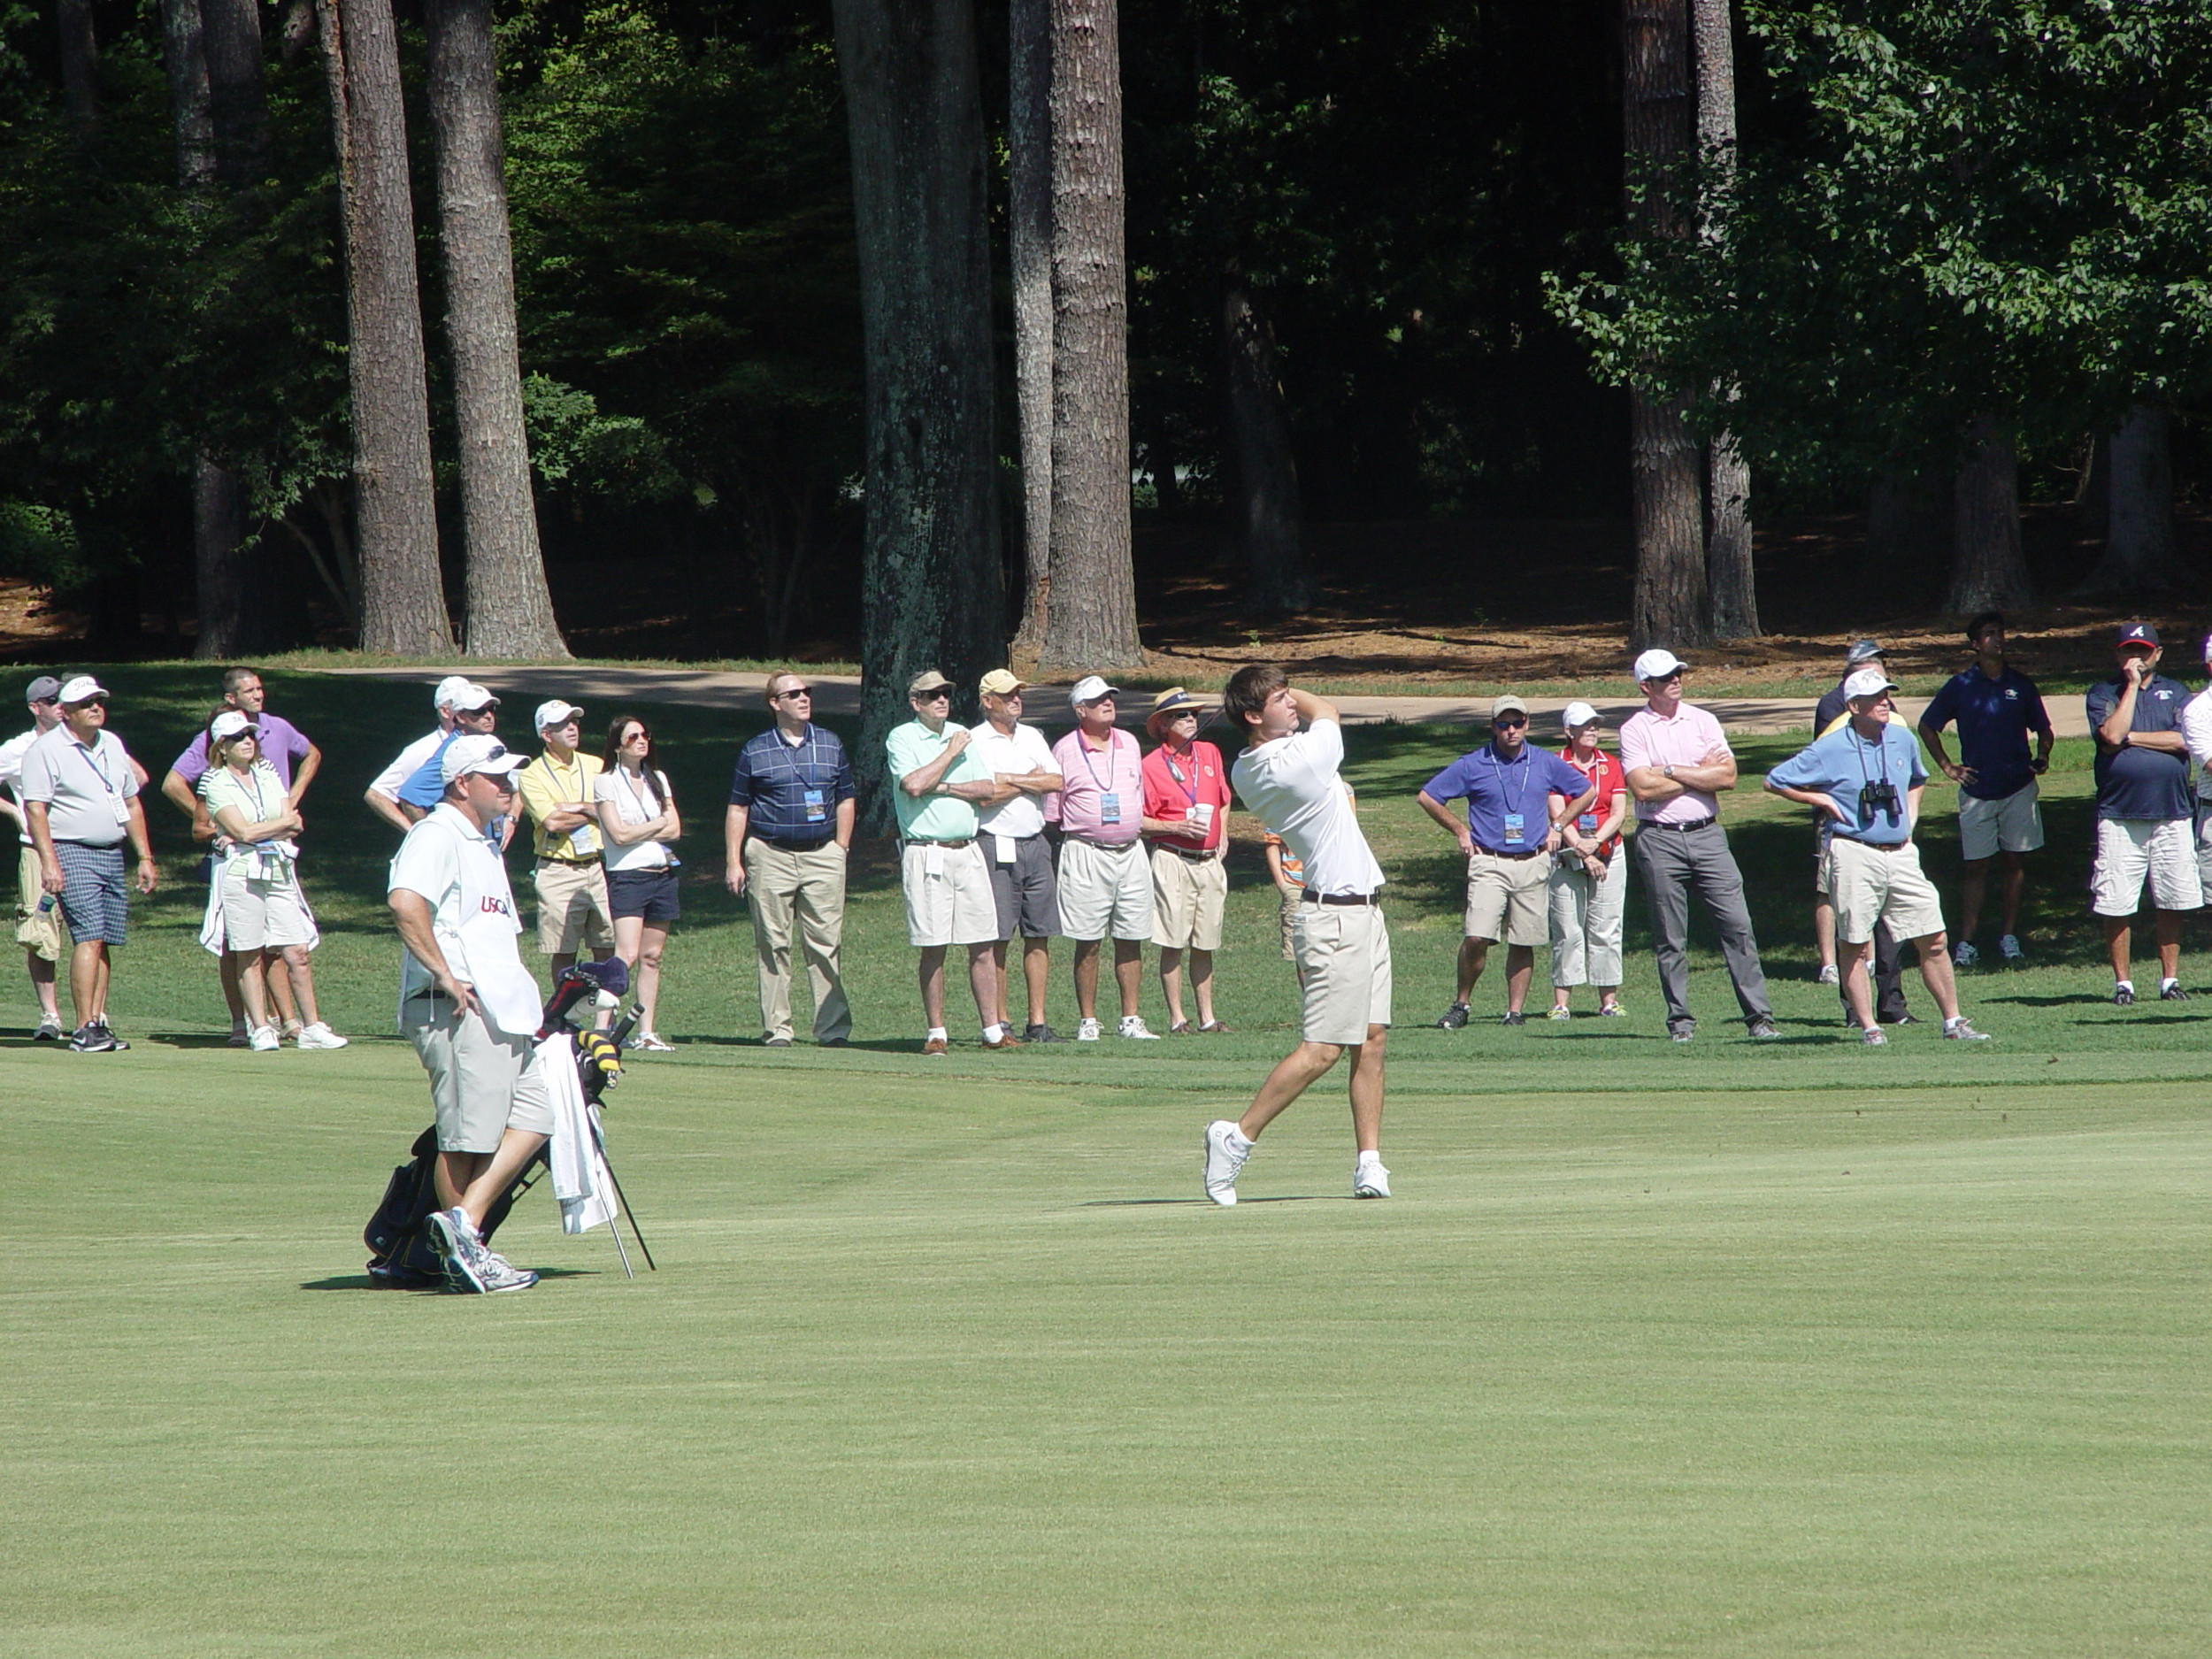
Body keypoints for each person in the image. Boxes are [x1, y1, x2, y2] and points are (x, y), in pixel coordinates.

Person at [1205, 668, 1392, 1206]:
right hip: (1332, 919)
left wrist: (1273, 687)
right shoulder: (1296, 763)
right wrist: (1296, 690)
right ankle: (1235, 1138)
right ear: (1253, 716)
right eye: (1280, 699)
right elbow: (1327, 712)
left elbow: (1305, 718)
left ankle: (1369, 1164)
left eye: (1290, 695)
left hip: (1363, 911)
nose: (1293, 704)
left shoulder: (1253, 762)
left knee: (1373, 1038)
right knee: (1323, 1049)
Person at [388, 734, 548, 1294]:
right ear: (462, 784)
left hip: (505, 1010)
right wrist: (446, 975)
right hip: (456, 1009)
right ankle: (466, 1258)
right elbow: (405, 903)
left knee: (540, 1112)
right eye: (496, 777)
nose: (509, 785)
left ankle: (462, 1228)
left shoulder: (482, 839)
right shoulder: (436, 833)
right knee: (467, 1140)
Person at [1765, 669, 1990, 1043]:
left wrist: (1911, 819)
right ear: (1854, 706)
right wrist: (1819, 798)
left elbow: (1917, 779)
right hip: (1854, 851)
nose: (1885, 701)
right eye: (1876, 697)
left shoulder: (1902, 739)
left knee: (1933, 937)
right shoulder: (1831, 746)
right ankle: (1869, 1027)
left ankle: (1954, 1022)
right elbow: (1774, 780)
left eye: (1887, 694)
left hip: (1901, 852)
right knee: (1854, 942)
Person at [1618, 649, 1778, 1042]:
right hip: (1659, 839)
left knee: (1738, 927)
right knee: (1670, 937)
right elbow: (1641, 787)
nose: (1676, 679)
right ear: (1646, 686)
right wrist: (1697, 774)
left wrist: (1670, 771)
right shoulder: (1634, 729)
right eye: (1666, 676)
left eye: (1678, 673)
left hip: (1708, 835)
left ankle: (1760, 1017)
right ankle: (1681, 1022)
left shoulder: (1703, 720)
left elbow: (1727, 777)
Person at [161, 665, 320, 1044]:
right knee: (242, 946)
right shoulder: (215, 757)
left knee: (283, 945)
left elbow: (311, 755)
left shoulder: (275, 732)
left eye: (260, 688)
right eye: (248, 690)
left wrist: (292, 800)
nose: (258, 695)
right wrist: (221, 825)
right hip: (240, 855)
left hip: (275, 849)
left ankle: (292, 1022)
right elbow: (173, 785)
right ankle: (248, 1022)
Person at [1418, 693, 1594, 1027]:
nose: (1511, 730)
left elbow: (1586, 791)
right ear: (1493, 726)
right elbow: (1427, 796)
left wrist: (1558, 826)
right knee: (1477, 935)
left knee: (1524, 939)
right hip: (1489, 861)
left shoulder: (1542, 761)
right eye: (1504, 724)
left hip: (1533, 860)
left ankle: (1514, 1012)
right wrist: (1460, 830)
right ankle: (1462, 1004)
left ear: (1526, 724)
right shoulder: (1474, 763)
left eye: (1518, 723)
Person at [19, 675, 157, 1051]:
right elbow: (36, 809)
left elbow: (129, 802)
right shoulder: (45, 751)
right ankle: (82, 1027)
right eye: (85, 704)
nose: (95, 708)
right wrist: (50, 863)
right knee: (89, 934)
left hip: (111, 850)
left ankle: (97, 1022)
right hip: (70, 848)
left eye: (98, 701)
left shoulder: (111, 744)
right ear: (64, 712)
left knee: (105, 940)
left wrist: (144, 856)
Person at [196, 710, 346, 1050]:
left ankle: (312, 1026)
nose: (247, 742)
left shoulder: (268, 773)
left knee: (297, 950)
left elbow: (293, 822)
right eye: (238, 738)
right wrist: (266, 830)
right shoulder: (216, 782)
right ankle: (261, 1027)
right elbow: (244, 829)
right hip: (241, 873)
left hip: (277, 868)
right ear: (222, 746)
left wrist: (258, 832)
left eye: (250, 735)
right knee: (248, 952)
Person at [724, 672, 855, 1048]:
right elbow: (738, 807)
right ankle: (778, 1030)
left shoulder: (830, 743)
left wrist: (840, 848)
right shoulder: (755, 750)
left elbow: (845, 797)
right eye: (794, 694)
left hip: (822, 854)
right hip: (770, 854)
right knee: (773, 944)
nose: (803, 698)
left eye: (806, 692)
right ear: (775, 703)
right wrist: (734, 861)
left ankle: (832, 1030)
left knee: (825, 943)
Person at [1918, 612, 2054, 967]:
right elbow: (1927, 726)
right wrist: (1948, 766)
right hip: (1978, 790)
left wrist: (2042, 755)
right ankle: (1967, 941)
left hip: (2018, 788)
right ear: (1975, 644)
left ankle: (2009, 936)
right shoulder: (1961, 686)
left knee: (2014, 862)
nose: (1998, 639)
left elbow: (2044, 729)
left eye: (2001, 633)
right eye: (1990, 634)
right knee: (1975, 867)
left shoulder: (2020, 685)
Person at [887, 669, 1008, 1052]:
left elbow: (987, 789)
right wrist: (951, 754)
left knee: (983, 944)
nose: (942, 700)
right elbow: (913, 784)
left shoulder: (962, 734)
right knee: (933, 944)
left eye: (946, 694)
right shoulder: (903, 737)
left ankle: (992, 1030)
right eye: (933, 694)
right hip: (927, 852)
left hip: (967, 849)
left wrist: (945, 786)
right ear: (916, 702)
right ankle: (936, 1032)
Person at [2085, 623, 2198, 1005]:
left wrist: (2133, 737)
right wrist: (2131, 688)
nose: (2138, 657)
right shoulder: (2104, 692)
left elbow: (2185, 739)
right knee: (2117, 902)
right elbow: (2111, 735)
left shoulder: (2177, 693)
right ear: (2118, 655)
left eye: (2145, 651)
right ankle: (2124, 983)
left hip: (2172, 813)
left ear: (2158, 653)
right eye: (2129, 650)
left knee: (2172, 899)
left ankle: (2169, 980)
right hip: (2120, 814)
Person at [1048, 675, 1160, 1041]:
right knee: (1089, 939)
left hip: (1131, 852)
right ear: (1081, 710)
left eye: (1110, 698)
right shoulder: (1064, 750)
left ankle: (1131, 1019)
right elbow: (1053, 811)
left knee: (1132, 936)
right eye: (1098, 701)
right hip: (1086, 852)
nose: (1108, 703)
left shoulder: (1128, 742)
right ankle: (1088, 1021)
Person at [970, 669, 1064, 1042]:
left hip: (1035, 843)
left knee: (1039, 934)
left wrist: (1009, 778)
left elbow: (1056, 782)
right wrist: (1030, 779)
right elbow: (985, 794)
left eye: (1017, 694)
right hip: (995, 843)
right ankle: (1001, 1021)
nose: (1015, 700)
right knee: (998, 936)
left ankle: (1037, 1023)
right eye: (1007, 695)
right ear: (987, 701)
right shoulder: (975, 740)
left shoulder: (1033, 736)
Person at [1141, 687, 1233, 1033]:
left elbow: (1223, 799)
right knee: (1173, 940)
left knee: (1206, 940)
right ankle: (1178, 1017)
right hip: (1172, 859)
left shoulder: (1209, 753)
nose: (1191, 719)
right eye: (1182, 715)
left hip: (1209, 862)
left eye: (1193, 713)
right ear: (1163, 724)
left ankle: (1208, 1017)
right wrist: (1177, 826)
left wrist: (1222, 833)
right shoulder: (1150, 766)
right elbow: (1140, 821)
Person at [595, 714, 682, 1049]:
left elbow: (675, 829)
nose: (642, 741)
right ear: (618, 745)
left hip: (662, 873)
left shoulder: (656, 778)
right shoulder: (606, 782)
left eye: (645, 735)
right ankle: (602, 1028)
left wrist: (643, 830)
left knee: (652, 956)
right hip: (628, 877)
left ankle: (646, 1031)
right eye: (632, 737)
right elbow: (617, 834)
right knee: (626, 954)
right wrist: (657, 824)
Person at [517, 700, 618, 985]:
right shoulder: (532, 775)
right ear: (546, 734)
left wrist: (579, 807)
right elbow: (553, 822)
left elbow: (617, 810)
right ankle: (564, 1015)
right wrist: (595, 812)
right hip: (558, 870)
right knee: (563, 952)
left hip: (599, 867)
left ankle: (606, 1018)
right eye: (563, 724)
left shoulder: (596, 765)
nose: (572, 728)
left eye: (574, 721)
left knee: (607, 946)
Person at [1546, 702, 1631, 1018]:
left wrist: (1596, 843)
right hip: (1567, 854)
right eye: (1585, 725)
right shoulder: (1556, 764)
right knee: (1567, 927)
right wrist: (1582, 849)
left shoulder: (1610, 763)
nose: (1593, 729)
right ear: (1569, 731)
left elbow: (1619, 811)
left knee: (1606, 927)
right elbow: (1557, 814)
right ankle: (1561, 1004)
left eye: (1595, 723)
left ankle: (1609, 1001)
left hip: (1609, 851)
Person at [1811, 641, 1888, 983]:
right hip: (1837, 812)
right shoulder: (1833, 704)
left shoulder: (1885, 704)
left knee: (1869, 887)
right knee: (1829, 888)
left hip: (1877, 811)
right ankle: (1830, 962)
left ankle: (1869, 958)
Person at [0, 676, 66, 1038]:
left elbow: (135, 778)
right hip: (36, 850)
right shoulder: (18, 749)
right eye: (51, 699)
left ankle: (95, 1015)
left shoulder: (85, 742)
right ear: (34, 707)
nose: (59, 704)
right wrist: (14, 812)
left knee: (92, 934)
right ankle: (50, 1016)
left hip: (83, 846)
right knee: (40, 932)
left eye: (62, 698)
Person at [365, 677, 501, 834]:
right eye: (476, 708)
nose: (487, 715)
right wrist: (419, 834)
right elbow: (377, 794)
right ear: (446, 711)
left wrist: (511, 818)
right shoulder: (424, 749)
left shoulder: (485, 742)